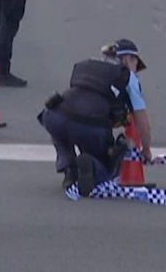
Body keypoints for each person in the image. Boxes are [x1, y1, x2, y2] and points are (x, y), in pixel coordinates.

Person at [38, 39, 154, 196]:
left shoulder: (87, 65)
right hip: (89, 126)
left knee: (60, 130)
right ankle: (92, 166)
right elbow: (142, 121)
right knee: (108, 167)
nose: (135, 70)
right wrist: (146, 150)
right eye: (135, 65)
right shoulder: (128, 77)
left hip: (56, 117)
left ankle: (69, 168)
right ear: (129, 59)